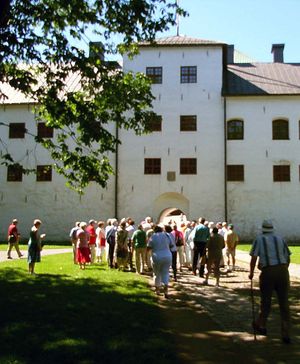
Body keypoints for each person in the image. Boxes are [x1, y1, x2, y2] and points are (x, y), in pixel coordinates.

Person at [249, 220, 292, 344]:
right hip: (283, 270)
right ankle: (286, 332)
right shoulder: (280, 239)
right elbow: (287, 257)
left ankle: (262, 325)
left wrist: (251, 272)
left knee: (266, 300)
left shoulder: (259, 239)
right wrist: (283, 270)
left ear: (262, 229)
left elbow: (254, 257)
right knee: (284, 302)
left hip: (268, 271)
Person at [148, 224, 173, 298]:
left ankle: (157, 290)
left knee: (157, 273)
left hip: (157, 256)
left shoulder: (153, 236)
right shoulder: (167, 235)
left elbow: (149, 247)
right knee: (165, 273)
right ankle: (166, 291)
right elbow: (171, 245)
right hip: (167, 256)